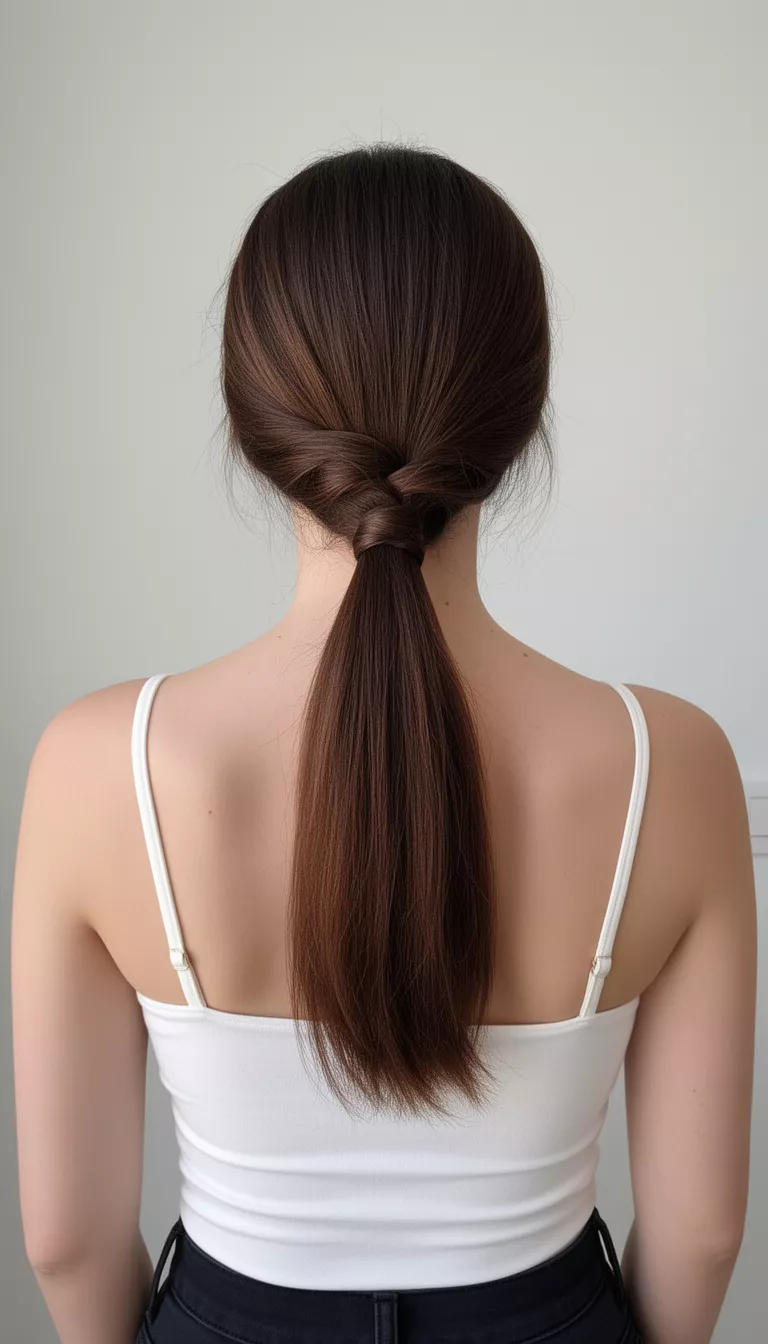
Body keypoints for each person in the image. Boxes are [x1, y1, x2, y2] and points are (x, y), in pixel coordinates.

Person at [12, 143, 756, 1344]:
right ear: (517, 411)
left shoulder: (102, 763)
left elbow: (65, 1239)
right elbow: (706, 1231)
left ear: (253, 412)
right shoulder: (672, 764)